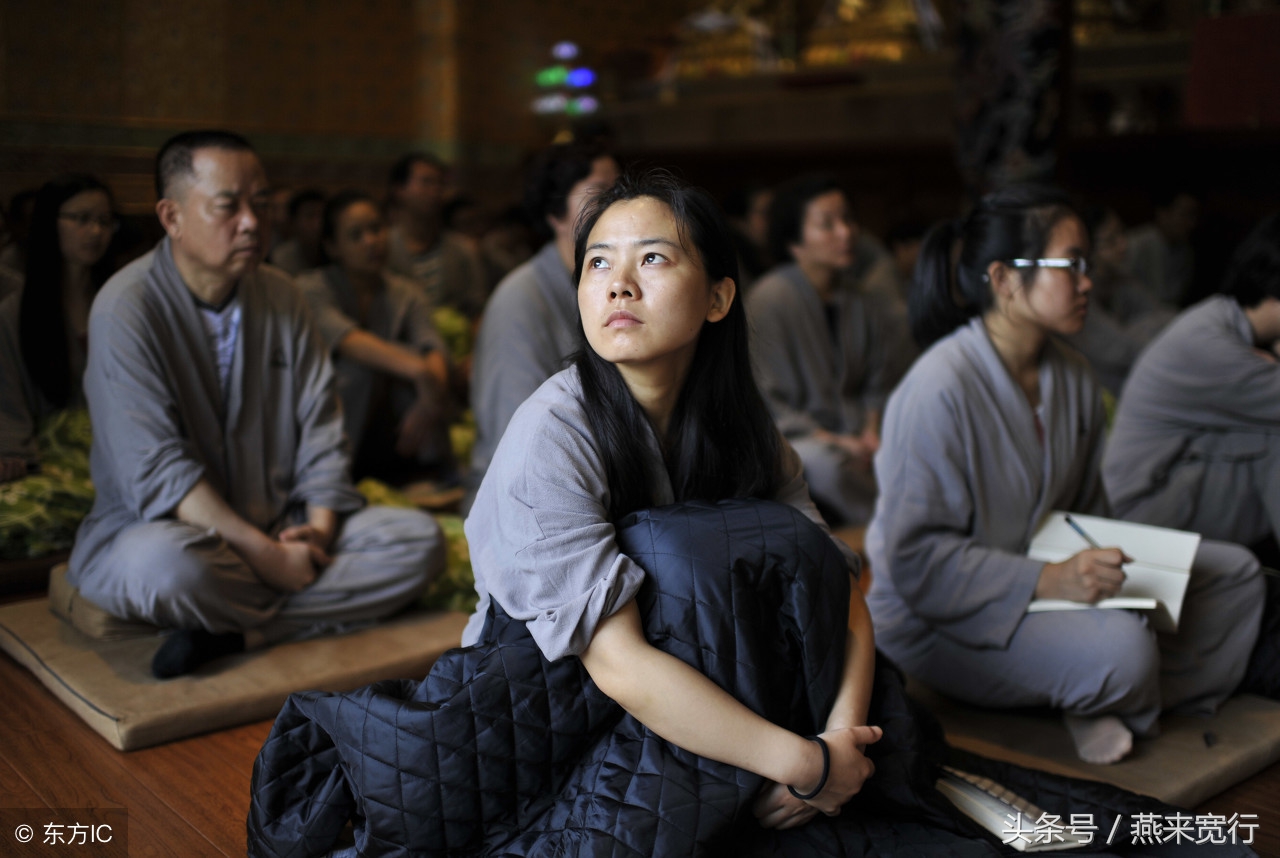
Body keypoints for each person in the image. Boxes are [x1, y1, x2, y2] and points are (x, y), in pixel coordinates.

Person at [465, 167, 878, 825]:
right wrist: (804, 764)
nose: (618, 284)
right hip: (558, 706)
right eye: (598, 262)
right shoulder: (554, 431)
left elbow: (833, 578)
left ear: (718, 298)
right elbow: (617, 662)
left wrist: (841, 739)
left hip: (713, 700)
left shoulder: (741, 426)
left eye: (653, 258)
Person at [866, 185, 1264, 765]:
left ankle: (1090, 688)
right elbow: (916, 561)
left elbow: (1087, 509)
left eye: (1087, 265)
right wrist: (1049, 581)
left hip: (1053, 573)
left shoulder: (1073, 373)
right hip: (941, 613)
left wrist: (1100, 570)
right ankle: (1099, 684)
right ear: (1004, 279)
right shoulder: (938, 387)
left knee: (1237, 577)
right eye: (1072, 264)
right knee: (1123, 652)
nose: (1087, 282)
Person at [66, 130, 444, 679]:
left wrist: (318, 530)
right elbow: (158, 471)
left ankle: (243, 632)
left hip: (284, 522)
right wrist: (270, 560)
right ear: (172, 217)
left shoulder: (283, 294)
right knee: (166, 571)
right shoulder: (126, 307)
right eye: (228, 206)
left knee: (418, 542)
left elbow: (321, 429)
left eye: (261, 204)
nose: (251, 222)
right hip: (171, 533)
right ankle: (293, 610)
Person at [1103, 213, 1280, 557]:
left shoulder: (1219, 319)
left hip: (1170, 486)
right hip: (1140, 511)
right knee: (1275, 435)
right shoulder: (1211, 344)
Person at [746, 175, 912, 527]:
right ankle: (890, 528)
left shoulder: (861, 300)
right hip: (798, 437)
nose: (846, 232)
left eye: (848, 219)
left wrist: (871, 431)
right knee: (823, 463)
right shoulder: (768, 300)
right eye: (827, 224)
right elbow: (767, 403)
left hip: (860, 432)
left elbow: (880, 381)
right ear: (794, 241)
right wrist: (838, 440)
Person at [465, 141, 618, 509]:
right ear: (556, 213)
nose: (617, 209)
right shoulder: (520, 298)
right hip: (529, 496)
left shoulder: (607, 287)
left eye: (620, 194)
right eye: (600, 195)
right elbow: (517, 435)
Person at [295, 190, 454, 484]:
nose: (371, 241)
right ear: (332, 246)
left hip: (393, 429)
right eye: (356, 235)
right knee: (359, 370)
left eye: (376, 229)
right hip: (334, 423)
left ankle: (428, 475)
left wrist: (429, 399)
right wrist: (421, 372)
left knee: (419, 372)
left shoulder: (405, 291)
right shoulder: (310, 289)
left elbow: (433, 347)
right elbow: (350, 341)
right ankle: (333, 478)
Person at [0, 174, 117, 479]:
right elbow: (7, 399)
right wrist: (14, 452)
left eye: (104, 221)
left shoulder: (123, 302)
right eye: (81, 219)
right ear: (50, 222)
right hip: (50, 458)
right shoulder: (15, 312)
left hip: (121, 452)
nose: (95, 231)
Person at [1063, 206, 1175, 396]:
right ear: (1087, 249)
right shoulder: (1078, 293)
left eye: (1122, 234)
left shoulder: (1119, 280)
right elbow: (1122, 349)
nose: (1124, 245)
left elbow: (1168, 316)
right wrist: (1142, 329)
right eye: (1111, 240)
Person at [385, 152, 487, 319]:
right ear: (399, 190)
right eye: (426, 182)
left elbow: (477, 310)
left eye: (441, 183)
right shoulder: (384, 247)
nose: (435, 190)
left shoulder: (462, 250)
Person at [1127, 188, 1198, 307]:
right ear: (1163, 214)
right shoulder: (1136, 244)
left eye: (1193, 216)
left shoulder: (1186, 252)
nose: (1191, 223)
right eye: (1184, 215)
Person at [266, 188, 325, 276]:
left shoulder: (337, 254)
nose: (318, 223)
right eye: (310, 216)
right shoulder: (283, 256)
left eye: (322, 216)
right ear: (293, 221)